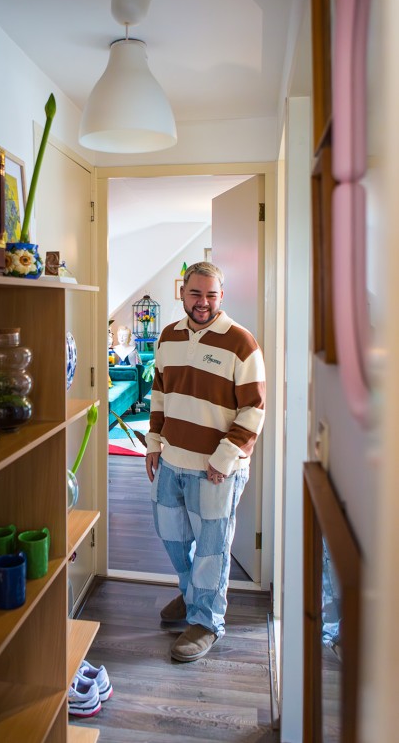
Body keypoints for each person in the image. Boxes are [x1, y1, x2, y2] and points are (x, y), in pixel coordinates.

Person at [145, 261, 266, 662]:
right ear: (182, 293)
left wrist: (224, 458)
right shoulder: (168, 336)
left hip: (216, 469)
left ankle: (206, 622)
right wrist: (153, 444)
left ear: (221, 296)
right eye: (195, 293)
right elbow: (159, 395)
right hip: (172, 460)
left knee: (213, 548)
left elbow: (253, 410)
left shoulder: (241, 342)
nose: (203, 302)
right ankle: (191, 593)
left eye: (211, 295)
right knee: (171, 534)